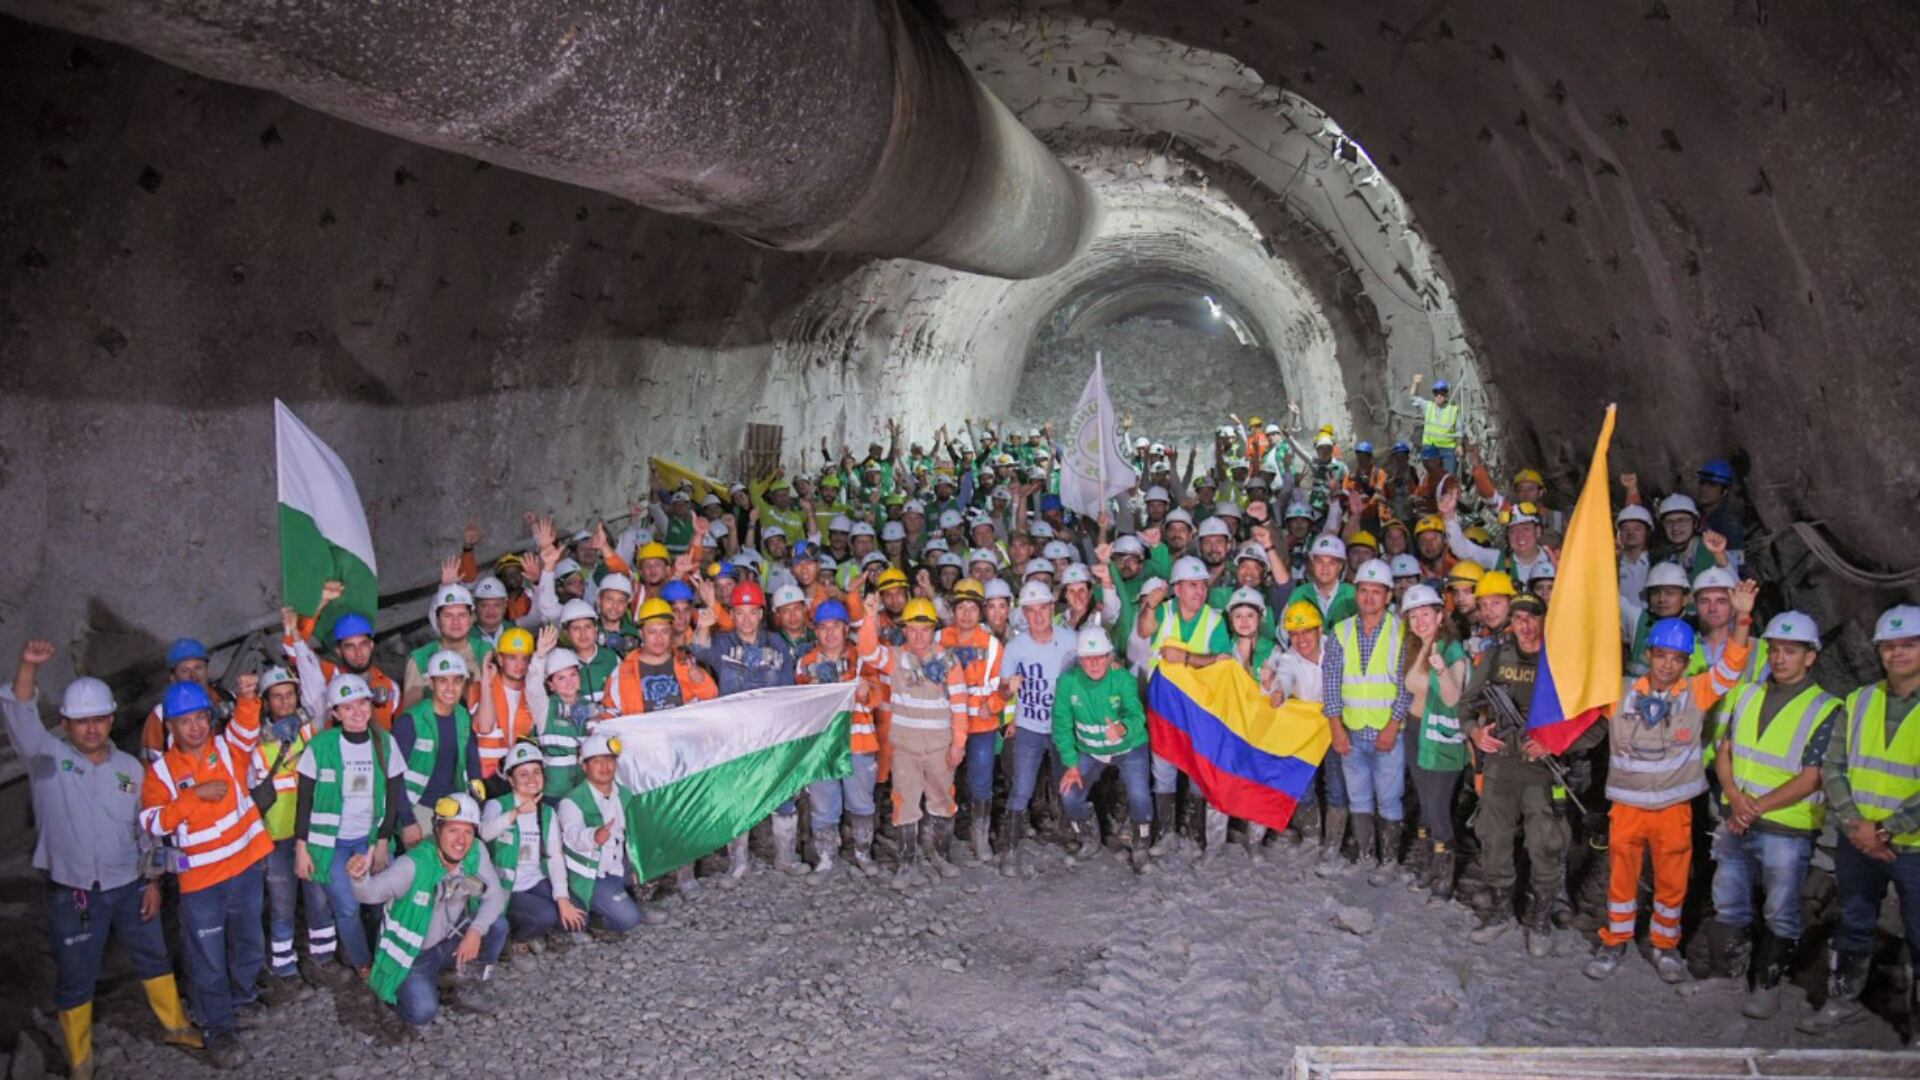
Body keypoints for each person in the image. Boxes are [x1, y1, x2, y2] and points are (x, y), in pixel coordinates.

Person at [6, 641, 201, 1077]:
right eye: (81, 722)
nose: (91, 729)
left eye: (98, 720)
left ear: (110, 719)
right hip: (73, 891)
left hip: (129, 884)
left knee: (153, 956)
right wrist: (28, 666)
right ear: (65, 724)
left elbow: (147, 829)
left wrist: (152, 880)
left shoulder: (131, 770)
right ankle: (81, 1060)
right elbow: (20, 713)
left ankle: (175, 1026)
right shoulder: (46, 760)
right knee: (76, 975)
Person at [1584, 583, 1755, 982]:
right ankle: (1614, 940)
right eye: (1661, 656)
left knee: (1672, 883)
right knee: (1622, 879)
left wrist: (1742, 617)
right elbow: (1581, 675)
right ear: (1648, 655)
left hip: (1674, 811)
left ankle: (1665, 947)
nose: (1667, 665)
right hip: (1627, 808)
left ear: (1685, 663)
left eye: (1677, 659)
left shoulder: (1695, 694)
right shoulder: (1620, 692)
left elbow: (1730, 668)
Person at [1691, 610, 1836, 1018]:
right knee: (1730, 900)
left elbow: (1812, 778)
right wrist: (1735, 797)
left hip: (1786, 828)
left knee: (1780, 908)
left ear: (1811, 656)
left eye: (1791, 651)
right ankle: (1726, 976)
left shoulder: (1825, 708)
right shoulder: (1749, 692)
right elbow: (1726, 752)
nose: (1780, 658)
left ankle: (1768, 985)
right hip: (1738, 817)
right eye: (1774, 649)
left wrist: (1751, 809)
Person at [1460, 593, 1605, 958]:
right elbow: (1465, 705)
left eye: (1532, 617)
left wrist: (1555, 744)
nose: (1525, 625)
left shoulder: (1562, 663)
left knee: (1546, 845)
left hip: (1544, 772)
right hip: (1501, 767)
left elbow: (1596, 722)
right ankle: (1501, 911)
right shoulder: (1496, 657)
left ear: (1546, 620)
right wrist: (1476, 734)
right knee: (1493, 840)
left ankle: (1540, 918)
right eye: (1519, 617)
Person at [1801, 604, 1920, 1037]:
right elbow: (1833, 767)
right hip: (1859, 840)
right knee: (1853, 923)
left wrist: (1882, 830)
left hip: (1912, 846)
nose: (1898, 654)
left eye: (1909, 644)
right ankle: (1842, 1001)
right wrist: (1855, 825)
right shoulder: (1860, 700)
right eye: (1890, 646)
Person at [139, 675, 271, 1066]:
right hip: (201, 882)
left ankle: (243, 998)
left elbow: (247, 730)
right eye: (186, 721)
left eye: (201, 718)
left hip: (246, 866)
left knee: (248, 940)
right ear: (172, 727)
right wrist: (191, 798)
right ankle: (219, 1029)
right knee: (208, 957)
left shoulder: (227, 749)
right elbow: (151, 822)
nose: (195, 727)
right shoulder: (161, 773)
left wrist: (247, 697)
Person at [350, 793, 506, 1027]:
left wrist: (475, 931)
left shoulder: (476, 851)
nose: (461, 840)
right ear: (437, 830)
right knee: (422, 1012)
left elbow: (495, 897)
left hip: (450, 939)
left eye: (468, 832)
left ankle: (463, 982)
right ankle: (397, 995)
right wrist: (359, 878)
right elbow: (369, 894)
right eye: (453, 830)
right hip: (414, 955)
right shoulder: (412, 865)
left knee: (497, 925)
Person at [294, 672, 406, 984]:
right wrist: (301, 848)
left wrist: (382, 841)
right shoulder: (321, 746)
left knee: (390, 899)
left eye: (362, 704)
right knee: (346, 908)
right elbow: (304, 801)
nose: (357, 713)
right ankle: (363, 963)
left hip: (370, 839)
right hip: (330, 844)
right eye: (347, 708)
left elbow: (393, 799)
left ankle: (393, 956)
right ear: (335, 713)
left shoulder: (385, 743)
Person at [862, 596, 968, 888]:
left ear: (933, 629)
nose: (919, 635)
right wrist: (871, 618)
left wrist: (959, 743)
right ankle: (907, 864)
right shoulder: (895, 657)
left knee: (942, 802)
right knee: (905, 804)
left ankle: (940, 856)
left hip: (939, 747)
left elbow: (960, 704)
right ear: (905, 630)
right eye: (913, 629)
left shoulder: (948, 660)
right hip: (905, 748)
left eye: (924, 629)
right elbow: (868, 651)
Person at [1319, 559, 1413, 885]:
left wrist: (1392, 725)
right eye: (1363, 590)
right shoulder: (1341, 631)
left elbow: (1407, 684)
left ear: (1388, 596)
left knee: (1388, 798)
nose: (1369, 597)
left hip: (1388, 733)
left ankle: (1388, 862)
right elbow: (1330, 682)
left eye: (1377, 591)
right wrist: (1335, 727)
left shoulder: (1402, 631)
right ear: (1355, 593)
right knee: (1358, 797)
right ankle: (1365, 856)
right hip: (1351, 731)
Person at [1130, 557, 1232, 857]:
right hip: (1164, 708)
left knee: (1197, 770)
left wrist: (1186, 659)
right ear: (1177, 588)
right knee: (1163, 770)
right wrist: (1149, 604)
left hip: (1199, 709)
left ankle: (1193, 833)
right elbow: (1145, 630)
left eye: (1202, 585)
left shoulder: (1213, 620)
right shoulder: (1164, 612)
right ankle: (1165, 834)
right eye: (1192, 585)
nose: (1199, 591)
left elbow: (1223, 662)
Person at [796, 600, 887, 875]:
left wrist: (865, 692)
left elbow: (878, 696)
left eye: (836, 626)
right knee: (823, 805)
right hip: (822, 746)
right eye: (823, 628)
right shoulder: (806, 662)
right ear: (816, 632)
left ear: (846, 629)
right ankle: (826, 858)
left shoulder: (863, 658)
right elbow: (798, 705)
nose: (830, 633)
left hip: (858, 743)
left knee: (861, 802)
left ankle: (863, 853)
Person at [1054, 627, 1154, 874]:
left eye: (1100, 656)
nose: (1094, 663)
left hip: (1128, 747)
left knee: (1140, 796)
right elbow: (1061, 725)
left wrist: (1122, 728)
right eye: (1088, 657)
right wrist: (1071, 764)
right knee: (1069, 795)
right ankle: (1089, 839)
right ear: (1079, 659)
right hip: (1091, 750)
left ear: (1110, 657)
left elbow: (1136, 713)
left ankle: (1140, 845)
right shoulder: (1068, 682)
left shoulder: (1122, 679)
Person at [999, 582, 1080, 874]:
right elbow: (1001, 693)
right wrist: (1008, 689)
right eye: (1030, 611)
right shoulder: (1016, 646)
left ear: (1051, 609)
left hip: (1062, 727)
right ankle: (1008, 848)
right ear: (1024, 613)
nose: (1037, 616)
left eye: (1042, 609)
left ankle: (1073, 832)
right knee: (1021, 788)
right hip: (1029, 728)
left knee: (1068, 784)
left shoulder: (1071, 640)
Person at [1402, 586, 1470, 899]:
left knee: (1438, 805)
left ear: (1440, 615)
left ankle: (1445, 870)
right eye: (1413, 616)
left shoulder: (1451, 650)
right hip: (1415, 731)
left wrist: (1442, 670)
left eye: (1425, 614)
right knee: (1425, 802)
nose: (1419, 621)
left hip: (1441, 737)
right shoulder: (1416, 645)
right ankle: (1430, 861)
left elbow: (1453, 698)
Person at [555, 733, 645, 936]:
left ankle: (622, 893)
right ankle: (598, 919)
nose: (605, 767)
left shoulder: (624, 794)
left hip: (618, 864)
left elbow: (632, 836)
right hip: (593, 873)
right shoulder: (572, 801)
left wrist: (637, 865)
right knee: (630, 920)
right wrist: (594, 836)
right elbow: (572, 835)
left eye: (609, 760)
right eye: (597, 761)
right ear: (584, 767)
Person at [480, 742, 569, 945]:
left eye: (536, 772)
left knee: (573, 909)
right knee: (546, 915)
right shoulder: (497, 804)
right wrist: (516, 812)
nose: (532, 779)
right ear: (510, 780)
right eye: (523, 774)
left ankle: (540, 929)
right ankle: (516, 939)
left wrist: (563, 898)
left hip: (536, 879)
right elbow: (485, 833)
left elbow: (555, 856)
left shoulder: (547, 811)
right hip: (506, 886)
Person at [395, 650, 484, 840]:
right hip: (419, 806)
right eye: (443, 680)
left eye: (457, 680)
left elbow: (472, 761)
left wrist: (477, 797)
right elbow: (393, 777)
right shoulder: (410, 722)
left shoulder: (462, 716)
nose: (450, 688)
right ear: (430, 682)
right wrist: (408, 821)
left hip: (454, 805)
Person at [1408, 373, 1460, 475]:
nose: (1439, 396)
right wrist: (1415, 383)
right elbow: (1412, 397)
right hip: (1430, 449)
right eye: (1436, 393)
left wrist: (1459, 445)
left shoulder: (1454, 410)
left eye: (1442, 392)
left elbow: (1459, 430)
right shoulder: (1428, 407)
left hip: (1448, 450)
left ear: (1446, 394)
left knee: (1449, 479)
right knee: (1431, 479)